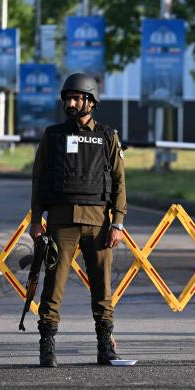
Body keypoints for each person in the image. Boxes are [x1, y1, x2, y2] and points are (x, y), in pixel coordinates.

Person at [29, 72, 127, 366]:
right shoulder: (53, 135)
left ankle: (104, 347)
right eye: (67, 99)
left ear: (90, 101)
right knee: (53, 287)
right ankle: (47, 347)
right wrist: (36, 219)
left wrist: (118, 222)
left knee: (102, 288)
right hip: (61, 222)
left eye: (76, 98)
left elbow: (120, 181)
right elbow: (39, 179)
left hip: (99, 223)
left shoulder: (108, 136)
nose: (70, 103)